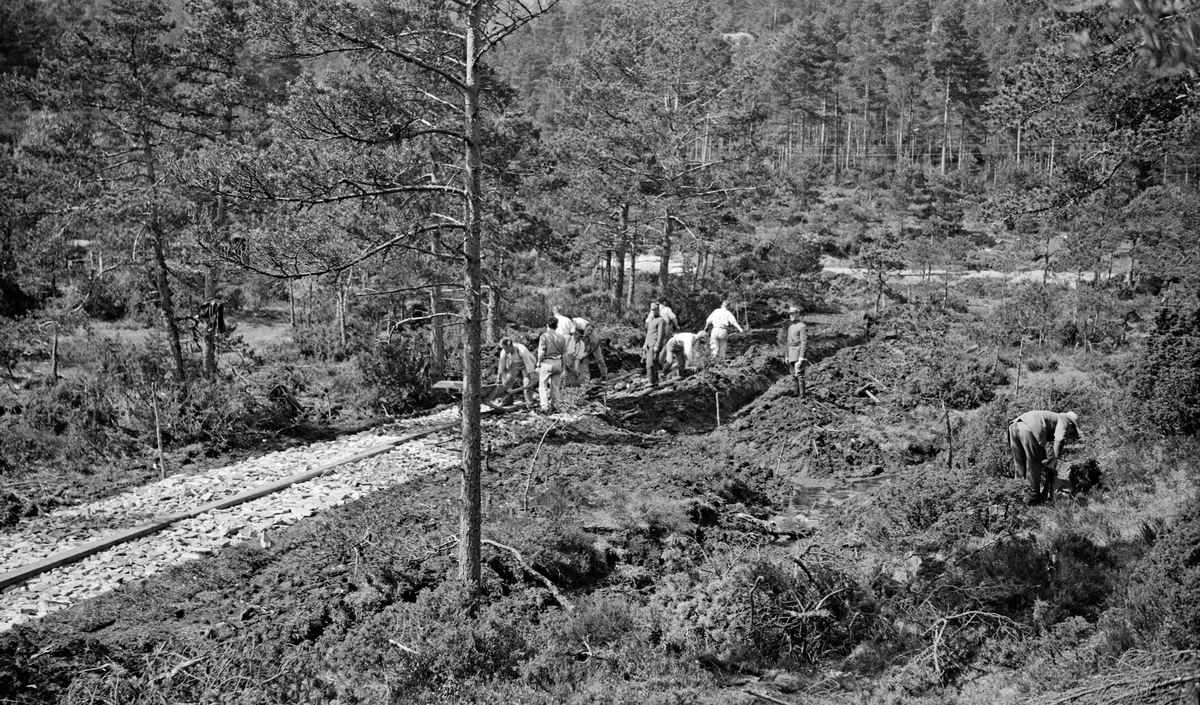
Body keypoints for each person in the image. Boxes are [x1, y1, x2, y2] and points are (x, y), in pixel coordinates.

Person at [1008, 410, 1082, 503]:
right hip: (1028, 428)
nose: (1069, 434)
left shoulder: (1052, 418)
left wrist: (1045, 459)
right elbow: (1059, 439)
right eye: (1072, 431)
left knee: (1020, 465)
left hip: (1014, 426)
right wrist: (1055, 457)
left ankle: (1016, 498)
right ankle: (1033, 500)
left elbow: (1041, 445)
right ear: (1071, 424)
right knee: (1034, 465)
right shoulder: (1065, 420)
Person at [537, 319, 569, 413]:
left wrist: (539, 363)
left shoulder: (544, 336)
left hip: (547, 362)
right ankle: (556, 406)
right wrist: (563, 366)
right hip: (558, 362)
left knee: (543, 385)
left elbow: (541, 352)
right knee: (555, 386)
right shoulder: (562, 337)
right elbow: (565, 353)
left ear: (547, 325)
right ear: (557, 326)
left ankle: (545, 407)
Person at [496, 337, 537, 407]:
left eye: (506, 348)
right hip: (515, 365)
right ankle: (507, 401)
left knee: (527, 384)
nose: (505, 350)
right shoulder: (504, 352)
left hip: (526, 364)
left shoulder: (521, 350)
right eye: (503, 348)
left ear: (510, 346)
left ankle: (530, 403)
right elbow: (501, 364)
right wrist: (499, 377)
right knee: (506, 381)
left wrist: (532, 377)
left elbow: (528, 363)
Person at [643, 302, 669, 388]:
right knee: (651, 363)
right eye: (652, 309)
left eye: (655, 310)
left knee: (650, 363)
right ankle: (655, 381)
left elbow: (661, 334)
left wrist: (657, 346)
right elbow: (648, 334)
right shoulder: (651, 320)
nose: (653, 311)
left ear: (658, 310)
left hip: (654, 345)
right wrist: (645, 344)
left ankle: (651, 381)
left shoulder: (661, 320)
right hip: (649, 344)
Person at [785, 306, 807, 398]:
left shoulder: (802, 326)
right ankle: (796, 392)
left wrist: (802, 357)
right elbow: (788, 343)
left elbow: (804, 343)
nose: (791, 316)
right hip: (791, 354)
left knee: (799, 374)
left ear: (798, 314)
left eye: (793, 314)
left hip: (798, 353)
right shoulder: (790, 327)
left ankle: (802, 395)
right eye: (790, 314)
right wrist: (787, 355)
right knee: (793, 374)